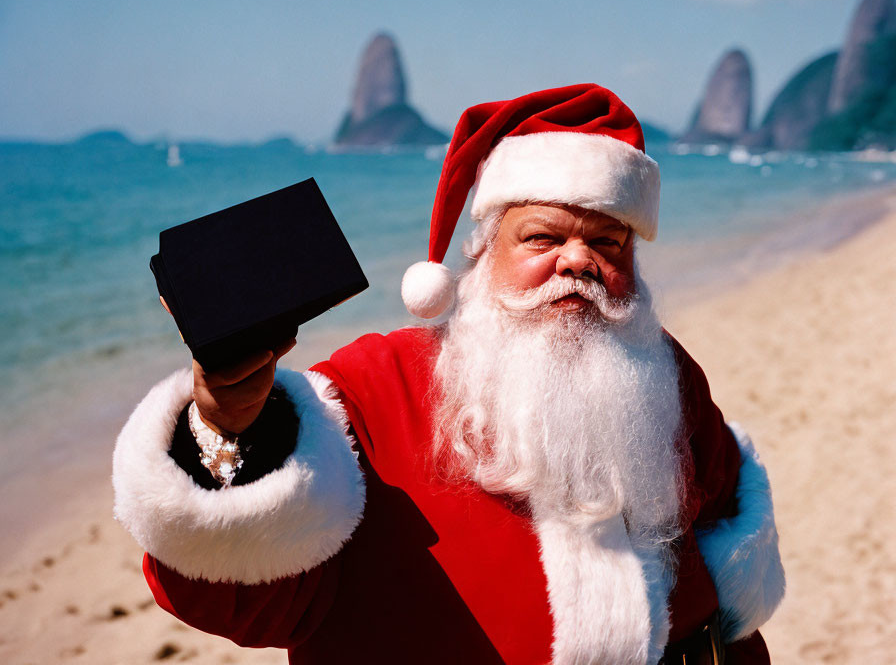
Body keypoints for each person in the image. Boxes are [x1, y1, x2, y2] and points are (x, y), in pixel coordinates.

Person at [113, 84, 785, 664]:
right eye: (543, 238)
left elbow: (728, 534)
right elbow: (244, 597)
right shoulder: (371, 387)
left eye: (608, 243)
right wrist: (229, 427)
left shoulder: (665, 374)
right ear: (482, 254)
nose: (578, 261)